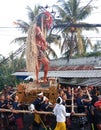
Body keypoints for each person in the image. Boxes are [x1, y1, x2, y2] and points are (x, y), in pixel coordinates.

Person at [26, 11, 53, 83]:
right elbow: (42, 38)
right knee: (46, 63)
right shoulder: (37, 28)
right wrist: (45, 43)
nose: (45, 24)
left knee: (38, 65)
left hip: (39, 49)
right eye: (45, 22)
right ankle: (43, 79)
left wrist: (44, 45)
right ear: (41, 21)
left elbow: (41, 38)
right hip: (37, 49)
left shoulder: (38, 28)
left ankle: (37, 79)